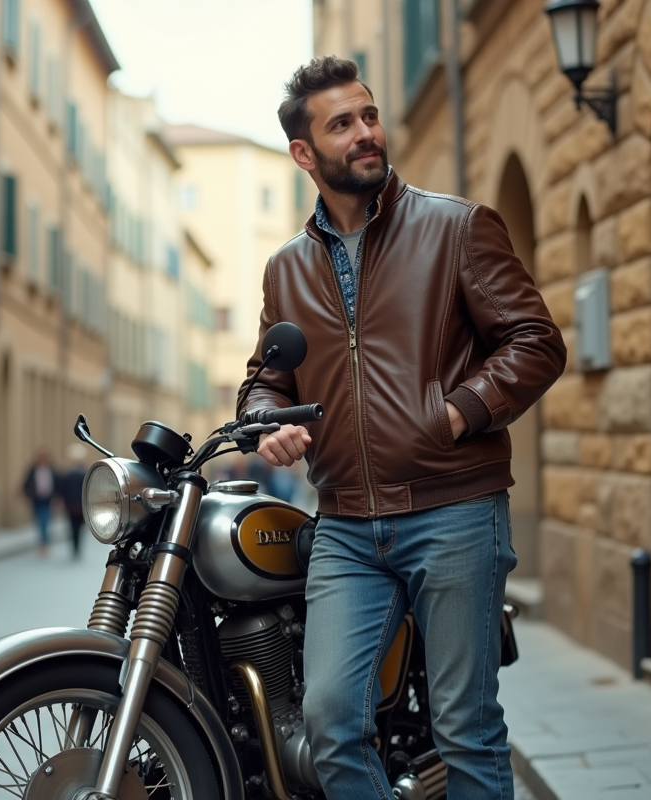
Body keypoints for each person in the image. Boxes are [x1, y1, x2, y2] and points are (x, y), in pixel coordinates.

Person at [240, 57, 566, 799]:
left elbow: (536, 341)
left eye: (369, 116)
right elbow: (266, 379)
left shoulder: (456, 227)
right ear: (303, 153)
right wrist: (268, 427)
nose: (365, 134)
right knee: (329, 722)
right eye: (342, 124)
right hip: (347, 524)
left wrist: (455, 412)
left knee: (466, 730)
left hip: (453, 508)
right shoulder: (285, 269)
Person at [53, 443, 87, 560]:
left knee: (73, 527)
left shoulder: (67, 474)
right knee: (78, 527)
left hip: (71, 505)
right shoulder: (84, 474)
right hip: (80, 505)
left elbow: (61, 490)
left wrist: (60, 501)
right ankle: (77, 547)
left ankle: (75, 547)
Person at [22, 450, 55, 557]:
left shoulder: (51, 469)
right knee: (40, 521)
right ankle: (42, 541)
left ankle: (43, 543)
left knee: (45, 520)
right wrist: (28, 495)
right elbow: (26, 483)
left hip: (47, 499)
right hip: (37, 499)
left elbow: (57, 483)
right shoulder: (33, 470)